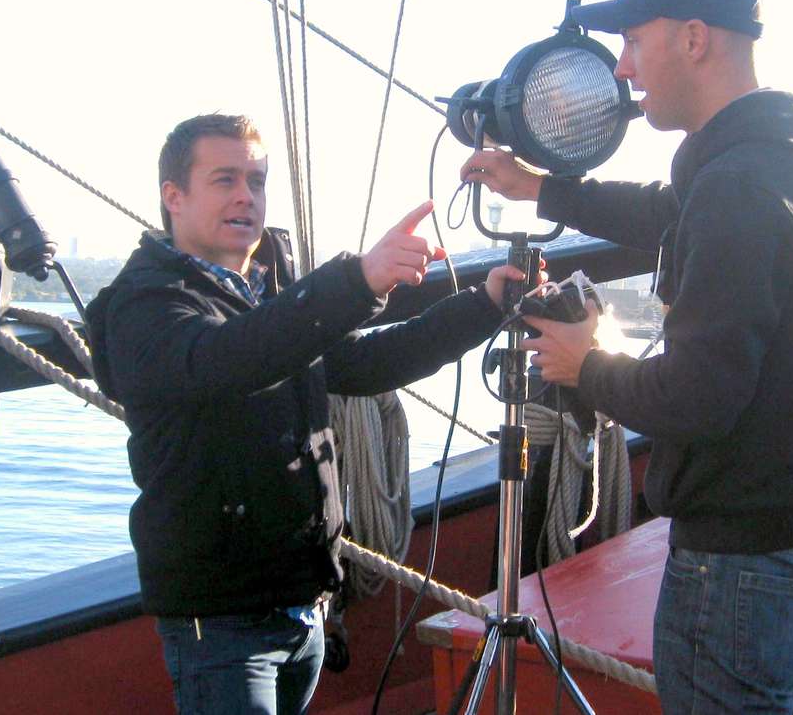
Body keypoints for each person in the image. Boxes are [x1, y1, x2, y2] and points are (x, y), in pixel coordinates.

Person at [461, 0, 793, 714]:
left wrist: (584, 365)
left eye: (632, 41)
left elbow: (697, 396)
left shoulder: (740, 184)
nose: (622, 69)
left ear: (693, 39)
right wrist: (539, 187)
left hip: (746, 561)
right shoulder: (771, 155)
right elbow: (667, 211)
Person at [86, 113, 528, 714]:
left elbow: (364, 364)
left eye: (256, 181)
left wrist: (485, 305)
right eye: (224, 179)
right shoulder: (145, 306)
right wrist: (359, 280)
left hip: (303, 605)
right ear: (174, 196)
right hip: (221, 624)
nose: (246, 196)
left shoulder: (271, 293)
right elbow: (228, 359)